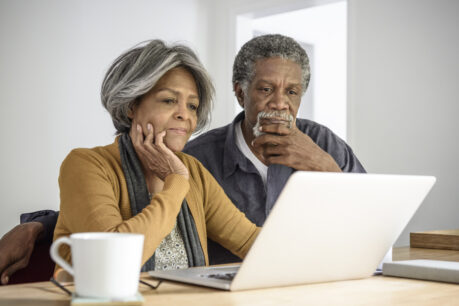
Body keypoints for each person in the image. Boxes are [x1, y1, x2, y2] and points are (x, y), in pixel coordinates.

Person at [0, 34, 364, 284]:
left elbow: (256, 244)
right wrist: (175, 184)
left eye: (192, 106)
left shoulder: (193, 172)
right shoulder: (94, 164)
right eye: (169, 101)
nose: (185, 116)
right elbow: (113, 259)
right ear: (130, 105)